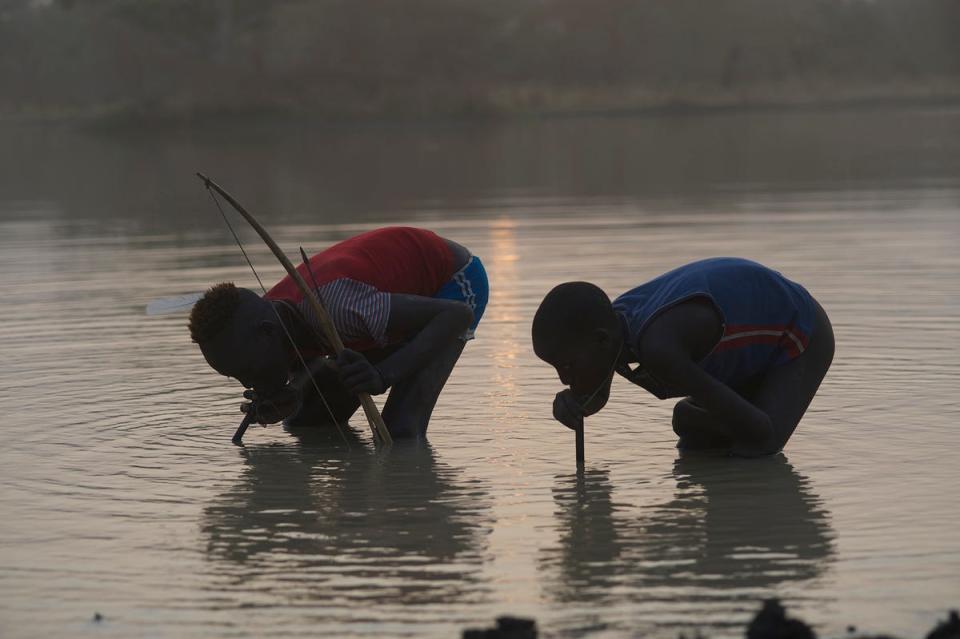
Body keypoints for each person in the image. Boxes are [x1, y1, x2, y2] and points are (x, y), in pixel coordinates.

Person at [188, 226, 488, 439]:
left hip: (451, 287)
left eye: (248, 371)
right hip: (378, 305)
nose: (248, 383)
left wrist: (383, 375)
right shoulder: (270, 322)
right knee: (306, 422)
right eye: (237, 377)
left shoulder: (337, 309)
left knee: (400, 431)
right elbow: (311, 359)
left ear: (267, 334)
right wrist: (291, 393)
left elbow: (456, 316)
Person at [531, 258, 833, 457]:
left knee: (755, 448)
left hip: (799, 330)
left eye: (568, 366)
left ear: (601, 341)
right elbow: (596, 394)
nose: (564, 379)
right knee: (695, 434)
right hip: (744, 353)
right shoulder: (613, 331)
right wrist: (575, 407)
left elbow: (760, 431)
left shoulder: (659, 348)